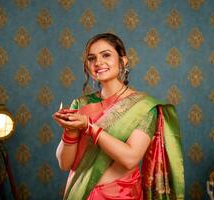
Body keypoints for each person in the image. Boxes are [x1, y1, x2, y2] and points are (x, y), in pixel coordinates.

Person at [53, 33, 184, 200]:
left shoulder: (142, 107)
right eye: (92, 58)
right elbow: (64, 164)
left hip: (121, 194)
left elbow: (130, 158)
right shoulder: (81, 104)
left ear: (123, 61)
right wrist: (70, 131)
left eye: (106, 55)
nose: (98, 62)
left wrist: (88, 127)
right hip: (80, 193)